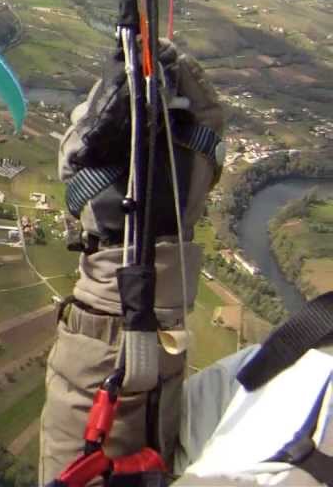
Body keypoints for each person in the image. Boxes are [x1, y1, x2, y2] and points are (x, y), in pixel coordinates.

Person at [41, 42, 333, 486]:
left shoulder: (289, 383)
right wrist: (138, 248)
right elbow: (138, 438)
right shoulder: (292, 369)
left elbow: (97, 459)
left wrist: (119, 256)